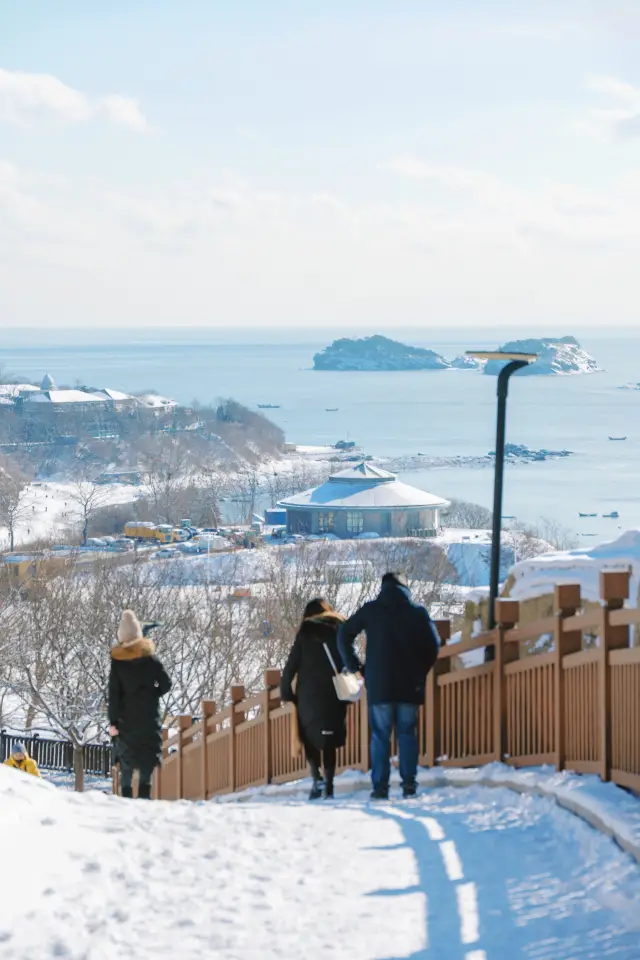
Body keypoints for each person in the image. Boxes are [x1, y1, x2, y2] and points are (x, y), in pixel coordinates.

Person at [338, 573, 441, 800]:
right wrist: (420, 671)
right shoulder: (417, 612)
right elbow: (434, 645)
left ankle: (380, 788)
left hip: (379, 684)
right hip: (409, 686)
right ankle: (409, 785)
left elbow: (344, 633)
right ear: (406, 587)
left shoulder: (372, 610)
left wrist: (356, 667)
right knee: (406, 733)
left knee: (380, 735)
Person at [281, 598, 348, 800]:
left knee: (309, 736)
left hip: (308, 695)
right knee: (329, 738)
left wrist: (286, 693)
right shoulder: (340, 629)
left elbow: (290, 666)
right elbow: (348, 658)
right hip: (335, 693)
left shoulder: (305, 633)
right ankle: (329, 784)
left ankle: (316, 777)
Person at [108, 609, 172, 799]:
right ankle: (145, 798)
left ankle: (126, 798)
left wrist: (113, 722)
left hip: (126, 720)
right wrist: (152, 695)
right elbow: (166, 683)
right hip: (148, 718)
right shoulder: (150, 659)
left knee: (127, 761)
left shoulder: (118, 663)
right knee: (147, 759)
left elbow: (114, 695)